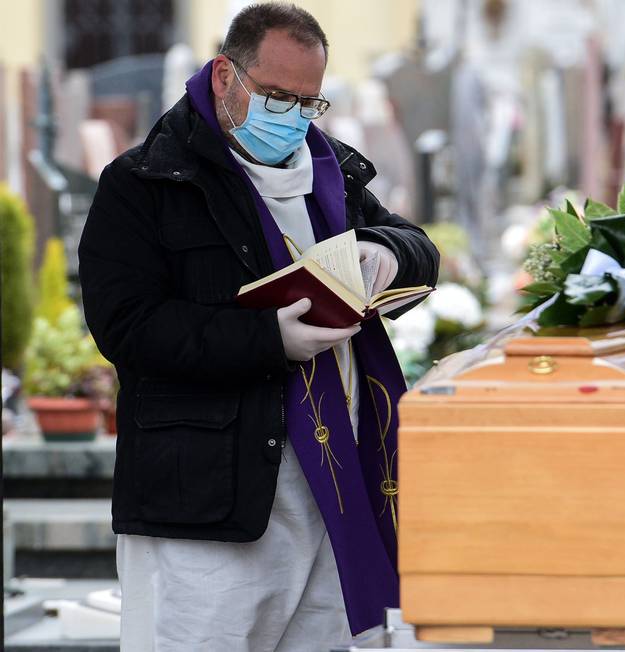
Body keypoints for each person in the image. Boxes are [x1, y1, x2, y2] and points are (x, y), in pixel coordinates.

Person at [77, 4, 439, 650]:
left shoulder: (330, 172)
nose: (294, 119)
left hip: (328, 492)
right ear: (224, 77)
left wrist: (386, 253)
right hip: (205, 507)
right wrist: (268, 339)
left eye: (310, 103)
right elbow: (127, 327)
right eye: (277, 97)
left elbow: (418, 248)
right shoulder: (144, 183)